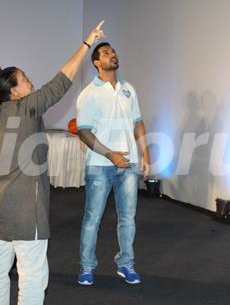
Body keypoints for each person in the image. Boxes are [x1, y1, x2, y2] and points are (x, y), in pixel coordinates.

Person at [0, 21, 106, 305]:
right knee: (33, 276)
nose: (30, 79)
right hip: (24, 213)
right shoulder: (27, 107)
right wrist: (86, 44)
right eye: (25, 78)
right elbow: (64, 78)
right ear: (15, 91)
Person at [75, 42, 149, 286]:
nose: (112, 54)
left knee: (128, 218)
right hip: (99, 166)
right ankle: (87, 267)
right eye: (106, 53)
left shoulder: (129, 89)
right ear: (96, 62)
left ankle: (126, 264)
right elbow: (84, 132)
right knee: (92, 218)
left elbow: (138, 122)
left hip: (128, 165)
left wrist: (145, 153)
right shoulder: (88, 94)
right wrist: (110, 155)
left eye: (114, 51)